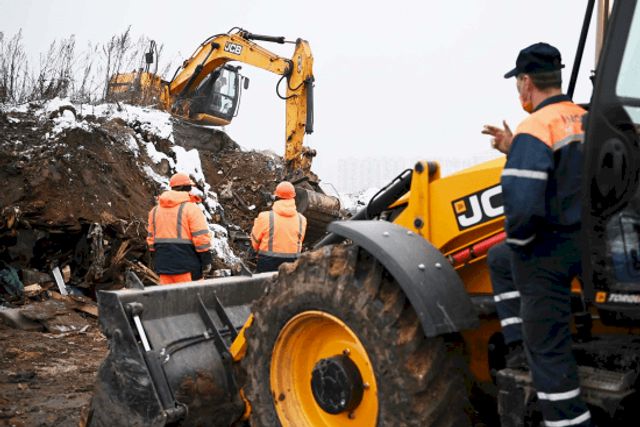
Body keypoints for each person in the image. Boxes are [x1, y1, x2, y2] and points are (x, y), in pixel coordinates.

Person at [483, 43, 591, 427]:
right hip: (590, 244)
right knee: (499, 258)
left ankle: (566, 420)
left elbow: (523, 206)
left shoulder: (535, 128)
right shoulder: (586, 119)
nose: (519, 90)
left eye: (518, 83)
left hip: (549, 252)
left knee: (549, 352)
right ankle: (517, 348)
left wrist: (521, 245)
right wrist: (514, 148)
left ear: (527, 82)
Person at [147, 172, 213, 285]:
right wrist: (206, 260)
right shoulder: (191, 208)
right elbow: (201, 238)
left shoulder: (155, 211)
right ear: (186, 188)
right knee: (192, 295)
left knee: (168, 295)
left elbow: (151, 241)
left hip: (164, 266)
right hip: (187, 266)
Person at [251, 181, 307, 273]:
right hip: (291, 265)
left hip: (267, 263)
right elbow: (299, 241)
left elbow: (255, 242)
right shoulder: (302, 219)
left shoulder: (265, 217)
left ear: (276, 197)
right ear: (293, 197)